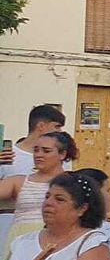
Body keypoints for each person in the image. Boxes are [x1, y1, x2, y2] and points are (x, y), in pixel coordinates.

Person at [0, 105, 67, 245]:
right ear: (41, 126)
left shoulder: (60, 158)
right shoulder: (7, 155)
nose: (60, 131)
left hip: (51, 230)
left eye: (46, 151)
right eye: (56, 126)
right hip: (9, 223)